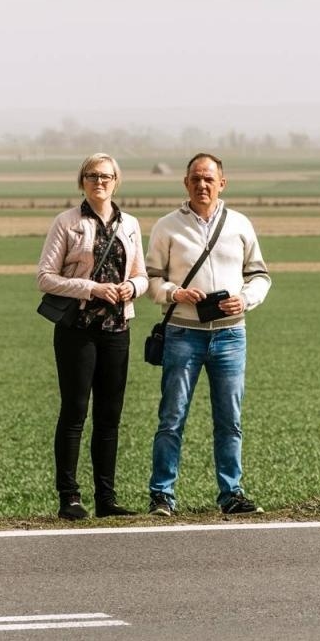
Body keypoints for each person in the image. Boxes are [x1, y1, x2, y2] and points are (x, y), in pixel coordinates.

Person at [146, 153, 272, 516]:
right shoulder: (167, 226)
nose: (202, 185)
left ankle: (231, 494)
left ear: (222, 183)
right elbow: (151, 280)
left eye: (209, 179)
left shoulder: (240, 224)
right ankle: (162, 494)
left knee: (229, 419)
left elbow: (260, 275)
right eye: (196, 179)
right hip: (183, 332)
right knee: (172, 416)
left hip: (231, 335)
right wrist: (175, 293)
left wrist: (244, 300)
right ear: (185, 183)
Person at [36, 153, 148, 520]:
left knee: (109, 416)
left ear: (117, 181)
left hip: (117, 329)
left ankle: (106, 498)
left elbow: (142, 275)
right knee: (74, 412)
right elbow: (45, 277)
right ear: (81, 181)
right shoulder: (67, 222)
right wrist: (92, 289)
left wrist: (132, 287)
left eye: (106, 176)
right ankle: (68, 497)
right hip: (77, 331)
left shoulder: (130, 223)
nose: (99, 182)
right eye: (91, 175)